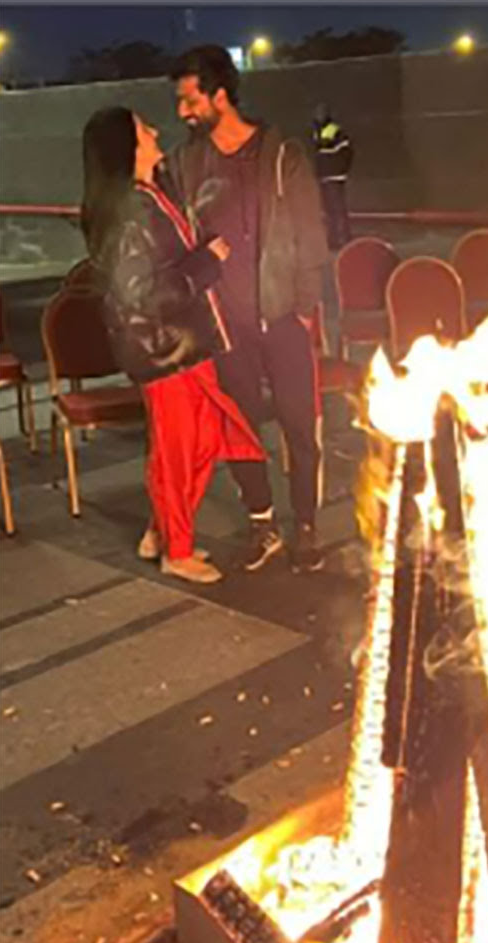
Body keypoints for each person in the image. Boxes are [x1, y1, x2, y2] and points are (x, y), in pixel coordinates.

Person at [81, 105, 265, 584]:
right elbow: (140, 293)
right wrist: (205, 264)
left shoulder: (147, 195)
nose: (155, 130)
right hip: (164, 350)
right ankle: (176, 551)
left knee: (200, 440)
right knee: (179, 449)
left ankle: (162, 532)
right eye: (145, 128)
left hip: (182, 345)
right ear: (128, 146)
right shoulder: (128, 210)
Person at [167, 45, 329, 572]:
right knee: (240, 428)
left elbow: (310, 230)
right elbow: (172, 236)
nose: (183, 112)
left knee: (298, 425)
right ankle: (264, 523)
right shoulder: (187, 163)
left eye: (189, 100)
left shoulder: (281, 154)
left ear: (219, 95)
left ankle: (304, 522)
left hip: (283, 315)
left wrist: (305, 305)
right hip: (225, 324)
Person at [311, 103, 353, 250]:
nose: (317, 116)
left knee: (337, 209)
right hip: (325, 176)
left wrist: (341, 170)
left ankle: (344, 239)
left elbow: (346, 152)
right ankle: (334, 240)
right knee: (330, 211)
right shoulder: (318, 131)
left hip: (334, 176)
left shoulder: (334, 131)